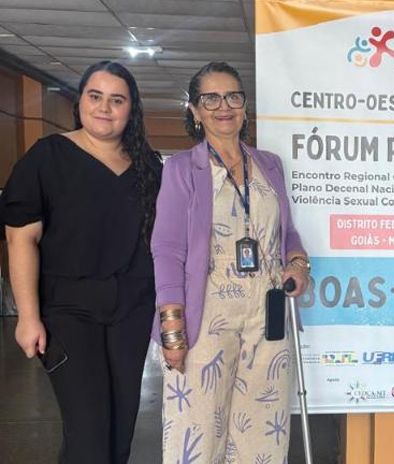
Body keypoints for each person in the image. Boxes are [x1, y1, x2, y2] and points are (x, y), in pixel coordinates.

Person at [0, 61, 161, 463]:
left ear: (131, 108)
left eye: (117, 100)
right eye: (95, 96)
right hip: (68, 310)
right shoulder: (48, 157)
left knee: (119, 433)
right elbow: (21, 238)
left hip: (131, 310)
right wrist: (27, 317)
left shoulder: (147, 166)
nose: (104, 108)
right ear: (80, 101)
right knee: (88, 432)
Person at [152, 61, 310, 463]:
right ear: (195, 110)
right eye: (211, 98)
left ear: (244, 106)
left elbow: (287, 232)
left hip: (267, 316)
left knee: (263, 432)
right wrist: (172, 330)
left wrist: (298, 263)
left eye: (233, 96)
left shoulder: (269, 165)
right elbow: (167, 249)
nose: (224, 106)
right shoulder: (181, 169)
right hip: (205, 317)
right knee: (198, 430)